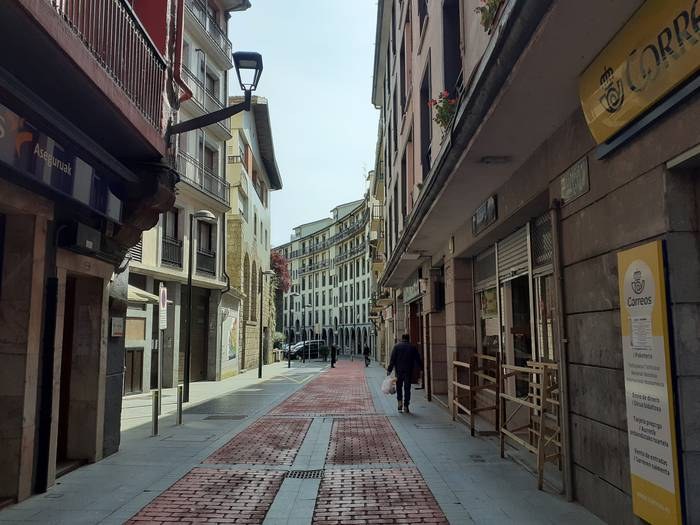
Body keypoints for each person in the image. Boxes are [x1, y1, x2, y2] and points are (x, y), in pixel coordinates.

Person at [387, 334, 422, 413]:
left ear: (402, 339)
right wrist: (422, 368)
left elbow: (392, 359)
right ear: (408, 339)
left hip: (399, 371)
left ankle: (399, 403)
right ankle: (406, 405)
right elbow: (418, 359)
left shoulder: (396, 347)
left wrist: (389, 370)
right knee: (407, 388)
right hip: (408, 371)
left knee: (399, 387)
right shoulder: (412, 347)